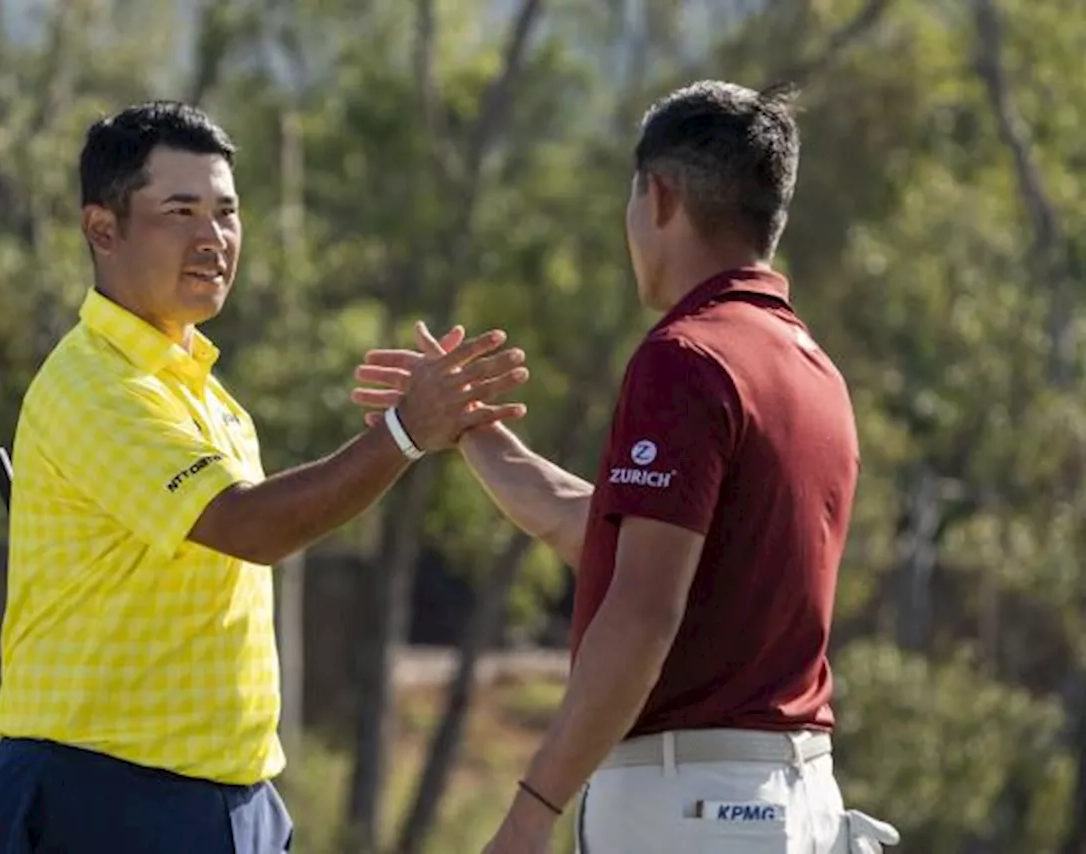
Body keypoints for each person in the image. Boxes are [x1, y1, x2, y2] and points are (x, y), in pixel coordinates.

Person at [0, 100, 530, 854]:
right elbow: (251, 525)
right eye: (180, 211)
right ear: (103, 229)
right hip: (103, 794)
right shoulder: (95, 385)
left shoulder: (208, 396)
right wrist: (403, 433)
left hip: (229, 800)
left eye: (227, 213)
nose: (214, 238)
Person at [352, 80, 901, 853]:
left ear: (660, 196)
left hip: (692, 809)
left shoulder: (685, 358)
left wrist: (531, 810)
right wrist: (473, 432)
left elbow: (642, 610)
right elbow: (607, 534)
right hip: (796, 800)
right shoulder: (810, 367)